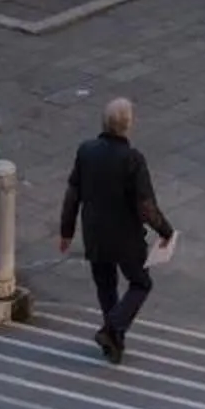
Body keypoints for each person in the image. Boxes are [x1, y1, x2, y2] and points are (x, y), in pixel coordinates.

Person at [58, 95, 174, 363]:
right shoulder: (132, 159)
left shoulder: (86, 150)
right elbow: (146, 206)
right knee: (140, 283)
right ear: (128, 125)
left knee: (106, 285)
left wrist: (66, 231)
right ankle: (112, 329)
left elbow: (72, 194)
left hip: (95, 233)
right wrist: (166, 231)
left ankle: (114, 342)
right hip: (126, 237)